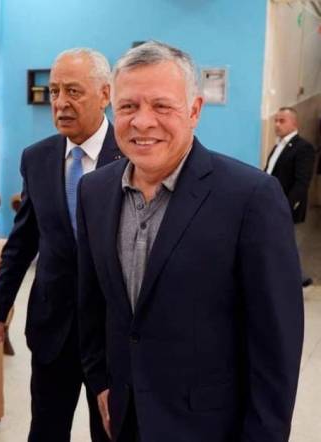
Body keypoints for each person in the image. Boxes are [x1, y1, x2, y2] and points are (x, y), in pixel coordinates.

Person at [76, 41, 303, 442]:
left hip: (208, 426)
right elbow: (93, 302)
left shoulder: (251, 197)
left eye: (162, 106)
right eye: (128, 106)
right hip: (123, 418)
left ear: (195, 110)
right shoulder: (94, 191)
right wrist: (100, 382)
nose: (142, 121)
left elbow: (276, 344)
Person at [0, 48, 121, 441]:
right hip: (52, 327)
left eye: (73, 91)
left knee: (112, 432)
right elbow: (23, 239)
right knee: (45, 430)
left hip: (112, 332)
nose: (60, 102)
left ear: (105, 94)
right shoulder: (37, 158)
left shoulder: (131, 155)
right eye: (54, 91)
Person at [265, 106, 315, 286]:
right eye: (275, 121)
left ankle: (297, 278)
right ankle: (294, 277)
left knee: (288, 243)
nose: (277, 125)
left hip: (286, 206)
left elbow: (302, 182)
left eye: (282, 121)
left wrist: (286, 206)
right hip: (272, 204)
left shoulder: (303, 148)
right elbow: (269, 172)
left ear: (294, 123)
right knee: (280, 243)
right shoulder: (278, 146)